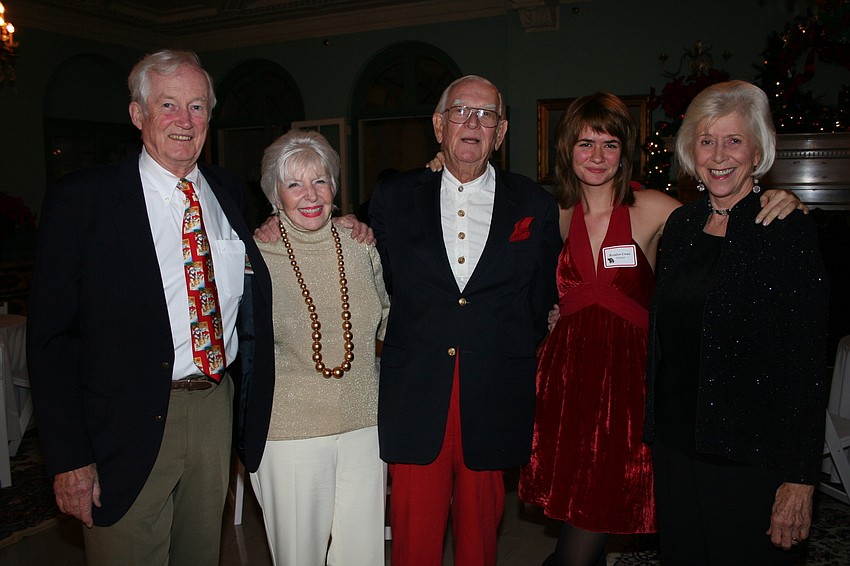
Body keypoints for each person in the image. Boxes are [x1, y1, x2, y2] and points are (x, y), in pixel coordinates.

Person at [422, 93, 803, 566]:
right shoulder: (551, 214)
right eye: (585, 144)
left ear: (625, 152)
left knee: (593, 515)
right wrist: (442, 166)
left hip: (626, 389)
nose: (597, 156)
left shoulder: (658, 209)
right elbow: (499, 257)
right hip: (565, 387)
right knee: (578, 506)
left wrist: (778, 197)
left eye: (609, 144)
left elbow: (725, 215)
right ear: (568, 151)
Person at [25, 50, 367, 566]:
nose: (184, 121)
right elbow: (51, 340)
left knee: (202, 553)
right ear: (137, 114)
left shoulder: (227, 192)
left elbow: (275, 252)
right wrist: (69, 458)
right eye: (168, 105)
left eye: (197, 106)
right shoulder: (83, 201)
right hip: (123, 421)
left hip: (214, 410)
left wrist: (342, 223)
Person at [370, 75, 562, 566]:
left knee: (480, 534)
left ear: (501, 132)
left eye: (486, 115)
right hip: (416, 387)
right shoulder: (393, 197)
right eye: (461, 111)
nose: (473, 122)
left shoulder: (534, 204)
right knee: (414, 534)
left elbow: (542, 295)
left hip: (495, 386)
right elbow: (376, 275)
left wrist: (506, 341)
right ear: (439, 125)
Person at [644, 80, 829, 565]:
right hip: (676, 447)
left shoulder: (785, 230)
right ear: (691, 152)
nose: (719, 155)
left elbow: (808, 363)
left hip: (751, 456)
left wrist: (801, 477)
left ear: (758, 151)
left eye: (734, 140)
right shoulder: (681, 226)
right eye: (706, 141)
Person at [247, 129, 390, 565]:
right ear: (275, 195)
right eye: (294, 184)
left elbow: (388, 319)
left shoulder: (362, 246)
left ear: (334, 187)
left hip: (366, 427)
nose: (310, 195)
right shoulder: (256, 256)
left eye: (320, 181)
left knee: (363, 556)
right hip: (289, 433)